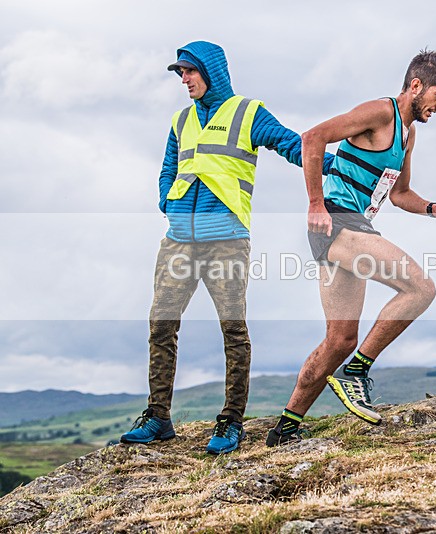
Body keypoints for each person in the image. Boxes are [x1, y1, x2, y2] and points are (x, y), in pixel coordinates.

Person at [120, 41, 331, 454]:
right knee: (161, 326)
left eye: (189, 71)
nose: (184, 79)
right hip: (179, 240)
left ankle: (231, 421)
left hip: (227, 240)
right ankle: (158, 417)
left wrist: (335, 163)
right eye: (180, 73)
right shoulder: (181, 120)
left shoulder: (248, 113)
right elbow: (168, 167)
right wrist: (167, 202)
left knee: (233, 329)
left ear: (210, 71)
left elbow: (292, 144)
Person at [266, 50, 436, 446]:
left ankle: (285, 427)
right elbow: (313, 138)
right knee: (420, 288)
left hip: (353, 227)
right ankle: (356, 372)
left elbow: (400, 194)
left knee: (339, 341)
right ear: (416, 86)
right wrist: (315, 202)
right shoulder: (380, 112)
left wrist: (433, 208)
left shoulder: (407, 135)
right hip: (337, 223)